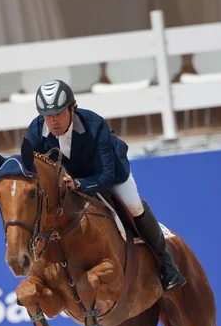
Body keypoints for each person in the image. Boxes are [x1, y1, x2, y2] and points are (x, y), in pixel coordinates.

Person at [25, 79, 185, 291]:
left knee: (133, 205)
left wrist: (78, 183)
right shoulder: (36, 131)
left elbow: (106, 176)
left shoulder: (94, 125)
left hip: (106, 172)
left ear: (72, 108)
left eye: (59, 113)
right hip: (65, 180)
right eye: (48, 115)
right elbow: (28, 169)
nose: (53, 121)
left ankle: (166, 264)